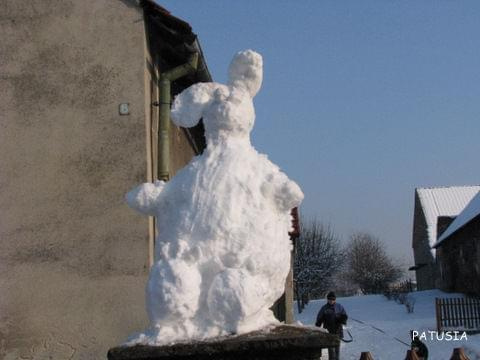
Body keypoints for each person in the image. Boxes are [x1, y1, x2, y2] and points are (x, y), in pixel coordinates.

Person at [315, 291, 348, 360]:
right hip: (328, 331)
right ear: (327, 299)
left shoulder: (339, 306)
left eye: (333, 299)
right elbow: (319, 317)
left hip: (338, 331)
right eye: (330, 299)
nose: (331, 301)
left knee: (337, 349)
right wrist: (318, 324)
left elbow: (344, 315)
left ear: (335, 299)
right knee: (331, 350)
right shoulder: (324, 308)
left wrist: (343, 319)